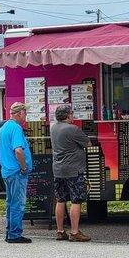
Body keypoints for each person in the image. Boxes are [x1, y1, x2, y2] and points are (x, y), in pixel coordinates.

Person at [50, 104, 91, 242]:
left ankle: (60, 231)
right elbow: (88, 143)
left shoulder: (53, 127)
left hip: (58, 169)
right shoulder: (72, 129)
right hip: (73, 170)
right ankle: (74, 232)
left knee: (60, 200)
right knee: (76, 200)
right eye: (72, 113)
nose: (73, 115)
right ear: (67, 115)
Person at [0, 102, 33, 244]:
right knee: (18, 204)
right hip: (17, 171)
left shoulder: (5, 127)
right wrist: (24, 167)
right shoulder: (16, 128)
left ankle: (9, 232)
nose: (26, 116)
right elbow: (18, 150)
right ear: (19, 114)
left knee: (10, 203)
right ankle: (15, 234)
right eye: (25, 113)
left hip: (7, 171)